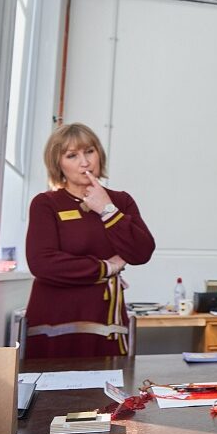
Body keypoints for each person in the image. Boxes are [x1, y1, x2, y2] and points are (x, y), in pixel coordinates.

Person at [25, 122, 155, 358]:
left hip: (106, 322)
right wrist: (106, 267)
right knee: (52, 392)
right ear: (58, 163)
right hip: (54, 321)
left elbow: (141, 252)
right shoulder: (46, 204)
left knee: (107, 390)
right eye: (72, 155)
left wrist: (107, 210)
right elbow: (42, 264)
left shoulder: (121, 201)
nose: (84, 162)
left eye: (89, 151)